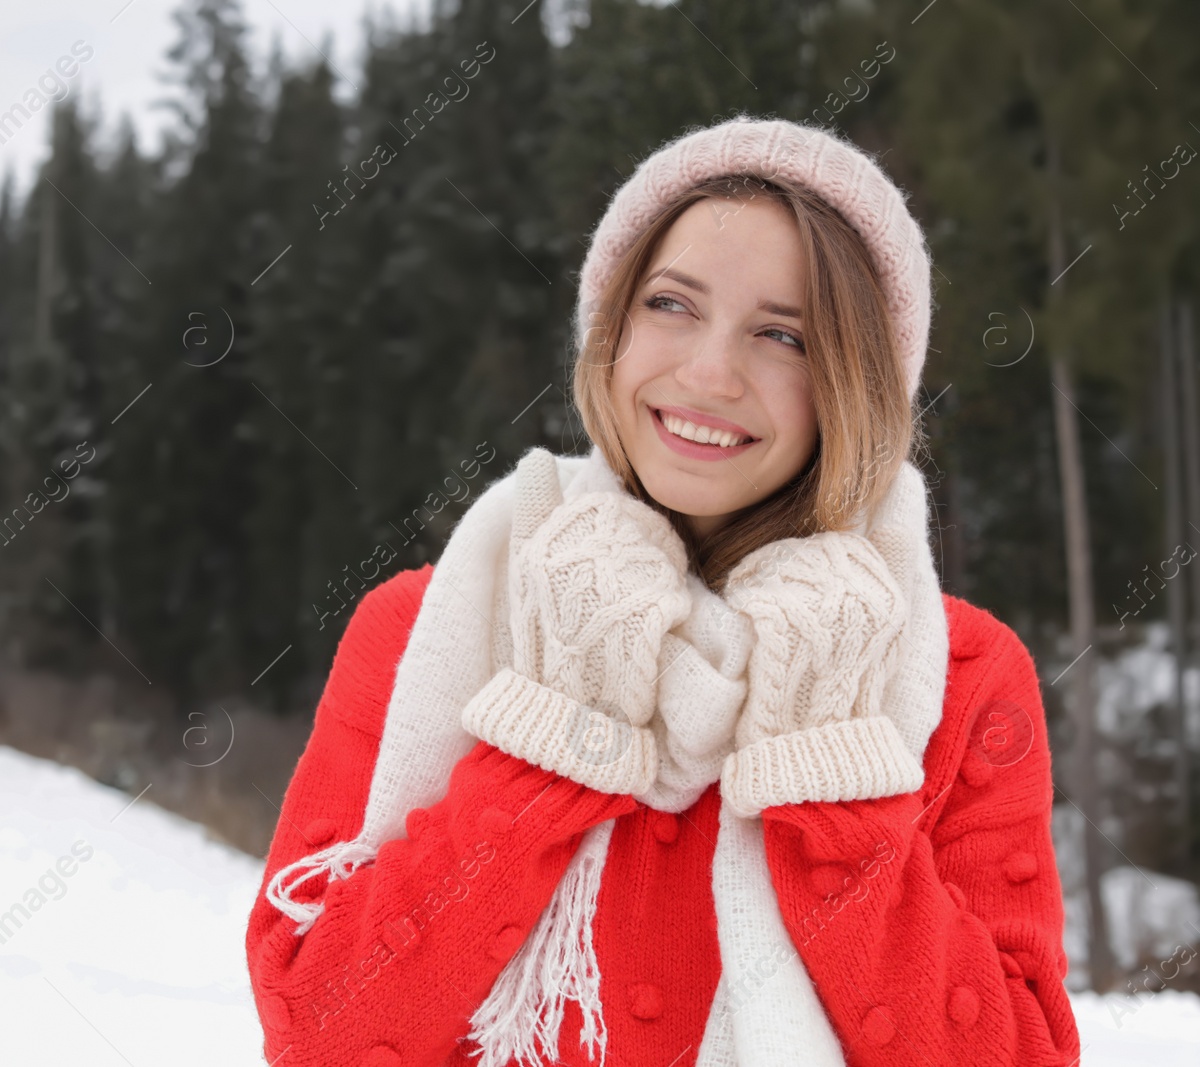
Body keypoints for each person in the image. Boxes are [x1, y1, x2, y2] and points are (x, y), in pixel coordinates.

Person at [245, 114, 1079, 1067]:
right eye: (671, 304)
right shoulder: (422, 627)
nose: (709, 372)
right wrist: (558, 727)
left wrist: (830, 772)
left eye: (783, 335)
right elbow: (319, 1035)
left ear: (858, 385)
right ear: (611, 326)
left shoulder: (963, 677)